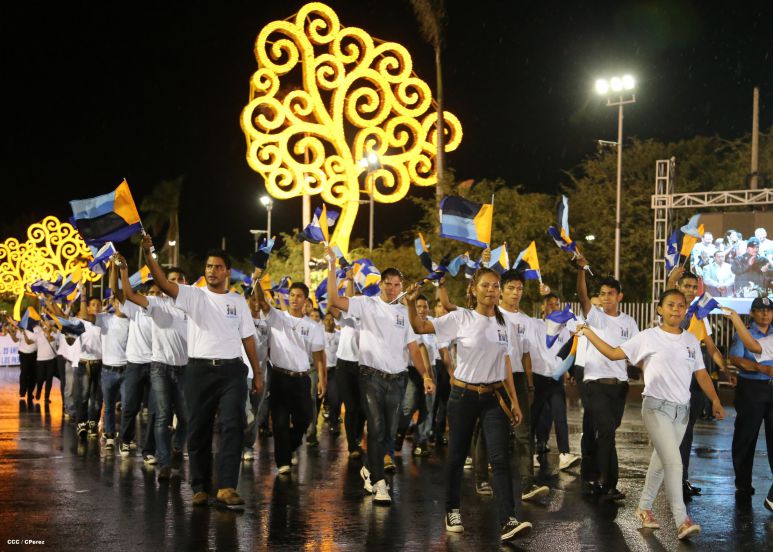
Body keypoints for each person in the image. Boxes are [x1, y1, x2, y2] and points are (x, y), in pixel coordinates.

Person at [578, 289, 725, 540]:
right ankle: (681, 520)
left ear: (686, 310)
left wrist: (715, 400)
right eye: (671, 305)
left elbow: (700, 373)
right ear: (660, 309)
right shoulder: (648, 337)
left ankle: (644, 508)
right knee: (674, 462)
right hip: (656, 408)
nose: (676, 309)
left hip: (682, 412)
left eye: (681, 305)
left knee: (660, 463)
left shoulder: (691, 340)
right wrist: (589, 332)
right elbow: (614, 353)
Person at [406, 268, 531, 541]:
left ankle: (508, 520)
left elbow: (506, 363)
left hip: (494, 397)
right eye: (485, 285)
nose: (491, 290)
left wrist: (514, 401)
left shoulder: (505, 324)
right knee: (457, 455)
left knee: (500, 458)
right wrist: (410, 303)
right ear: (474, 289)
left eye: (495, 286)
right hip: (463, 396)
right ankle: (452, 510)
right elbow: (420, 327)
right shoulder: (461, 318)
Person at [142, 234, 262, 507]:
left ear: (227, 272)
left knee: (233, 425)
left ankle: (227, 487)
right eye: (209, 266)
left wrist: (257, 373)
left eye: (218, 267)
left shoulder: (237, 301)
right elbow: (163, 282)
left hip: (232, 371)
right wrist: (149, 255)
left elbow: (248, 339)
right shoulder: (193, 295)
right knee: (199, 429)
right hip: (198, 371)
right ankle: (200, 486)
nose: (212, 271)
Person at [325, 248, 434, 505]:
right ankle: (379, 482)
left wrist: (426, 376)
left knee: (388, 433)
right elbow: (333, 299)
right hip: (370, 377)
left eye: (397, 285)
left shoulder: (404, 314)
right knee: (375, 428)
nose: (393, 289)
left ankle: (369, 468)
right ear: (381, 284)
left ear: (401, 287)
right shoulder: (366, 304)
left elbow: (413, 348)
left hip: (398, 379)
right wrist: (331, 266)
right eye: (388, 284)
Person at [117, 256, 189, 480]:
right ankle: (165, 463)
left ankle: (177, 447)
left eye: (179, 279)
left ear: (185, 282)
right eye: (171, 279)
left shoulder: (194, 305)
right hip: (160, 367)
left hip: (185, 368)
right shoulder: (157, 302)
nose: (175, 282)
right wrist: (124, 270)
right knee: (162, 416)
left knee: (186, 417)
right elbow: (129, 295)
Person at [666, 268, 735, 498]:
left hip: (694, 381)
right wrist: (672, 279)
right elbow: (666, 295)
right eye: (686, 286)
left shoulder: (699, 315)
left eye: (694, 287)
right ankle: (672, 480)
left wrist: (725, 370)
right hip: (674, 380)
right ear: (678, 287)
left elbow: (711, 347)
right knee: (673, 433)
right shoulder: (672, 311)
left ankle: (681, 479)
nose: (690, 291)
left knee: (687, 432)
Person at [576, 259, 639, 500]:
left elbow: (635, 353)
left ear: (619, 296)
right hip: (595, 384)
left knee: (607, 432)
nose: (605, 298)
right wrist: (581, 270)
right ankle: (608, 483)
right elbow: (583, 296)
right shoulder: (595, 317)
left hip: (619, 387)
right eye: (602, 294)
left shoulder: (629, 322)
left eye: (610, 294)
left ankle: (593, 475)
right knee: (606, 432)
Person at [253, 276, 325, 475]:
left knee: (304, 418)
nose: (294, 299)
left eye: (299, 296)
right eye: (292, 295)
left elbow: (319, 356)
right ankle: (283, 462)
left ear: (306, 301)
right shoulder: (277, 317)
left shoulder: (313, 326)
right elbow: (261, 302)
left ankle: (290, 446)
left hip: (302, 378)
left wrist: (322, 380)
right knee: (279, 421)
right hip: (279, 376)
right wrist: (257, 280)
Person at [722, 302, 773, 511]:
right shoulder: (744, 334)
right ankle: (743, 483)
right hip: (752, 388)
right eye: (760, 310)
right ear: (752, 313)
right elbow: (739, 357)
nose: (765, 314)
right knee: (746, 436)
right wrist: (761, 368)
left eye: (769, 310)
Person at [530, 293, 581, 471]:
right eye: (549, 304)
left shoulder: (565, 330)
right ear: (542, 307)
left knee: (560, 416)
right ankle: (530, 454)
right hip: (538, 377)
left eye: (556, 304)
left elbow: (569, 353)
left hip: (556, 379)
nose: (553, 307)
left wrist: (570, 372)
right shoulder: (536, 324)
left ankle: (564, 454)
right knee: (534, 417)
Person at [395, 294, 435, 457]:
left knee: (428, 407)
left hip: (431, 369)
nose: (422, 310)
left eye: (425, 306)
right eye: (418, 306)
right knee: (408, 406)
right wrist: (426, 374)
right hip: (413, 371)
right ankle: (399, 433)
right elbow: (420, 348)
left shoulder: (433, 324)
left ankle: (421, 442)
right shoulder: (408, 323)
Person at [330, 269, 365, 459]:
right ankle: (352, 446)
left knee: (363, 409)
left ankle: (357, 436)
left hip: (364, 367)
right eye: (355, 300)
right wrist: (348, 281)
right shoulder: (346, 318)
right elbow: (334, 304)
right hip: (344, 366)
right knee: (351, 407)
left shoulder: (369, 319)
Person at [75, 293, 103, 439]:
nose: (96, 307)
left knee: (97, 398)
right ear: (87, 307)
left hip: (100, 363)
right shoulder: (81, 322)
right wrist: (83, 295)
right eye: (93, 305)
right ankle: (81, 423)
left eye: (98, 305)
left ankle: (93, 423)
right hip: (84, 364)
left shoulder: (104, 321)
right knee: (84, 396)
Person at [322, 311, 342, 435]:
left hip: (334, 372)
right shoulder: (318, 334)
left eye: (332, 319)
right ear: (323, 321)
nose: (330, 322)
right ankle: (311, 429)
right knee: (316, 401)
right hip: (320, 371)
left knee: (336, 399)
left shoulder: (340, 335)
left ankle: (334, 422)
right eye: (327, 319)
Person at [32, 319, 59, 403]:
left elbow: (50, 339)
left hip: (51, 360)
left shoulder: (55, 334)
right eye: (46, 323)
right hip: (40, 360)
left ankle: (47, 397)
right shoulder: (38, 334)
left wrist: (47, 332)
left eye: (49, 324)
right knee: (40, 379)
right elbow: (30, 341)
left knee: (49, 379)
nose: (47, 325)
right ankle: (38, 391)